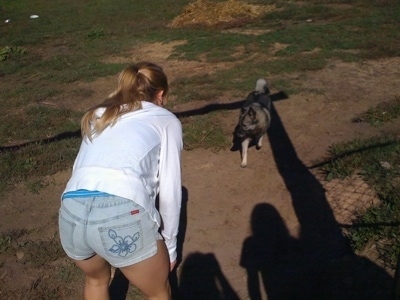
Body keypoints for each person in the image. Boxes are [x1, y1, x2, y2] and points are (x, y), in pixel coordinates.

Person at [58, 62, 183, 300]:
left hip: (71, 210)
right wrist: (171, 247)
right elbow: (170, 191)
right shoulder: (166, 120)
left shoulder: (99, 114)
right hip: (121, 210)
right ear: (160, 94)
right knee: (158, 292)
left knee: (95, 281)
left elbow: (78, 168)